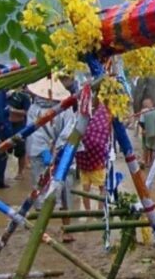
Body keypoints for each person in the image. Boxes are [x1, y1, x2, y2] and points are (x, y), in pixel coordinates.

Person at [26, 77, 76, 242]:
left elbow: (33, 133)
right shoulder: (60, 109)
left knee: (50, 190)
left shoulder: (38, 108)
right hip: (51, 154)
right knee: (53, 191)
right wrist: (53, 148)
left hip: (49, 152)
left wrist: (53, 148)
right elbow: (34, 131)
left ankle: (48, 230)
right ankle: (63, 230)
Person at [75, 99, 111, 212]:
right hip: (96, 160)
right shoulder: (103, 115)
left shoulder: (83, 113)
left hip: (83, 159)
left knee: (86, 188)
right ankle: (99, 211)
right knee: (102, 187)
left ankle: (88, 211)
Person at [7, 86, 31, 181]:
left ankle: (20, 172)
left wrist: (13, 110)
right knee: (3, 150)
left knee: (20, 150)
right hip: (6, 125)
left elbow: (27, 112)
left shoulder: (24, 96)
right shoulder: (5, 94)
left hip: (19, 125)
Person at [139, 97, 155, 168]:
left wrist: (143, 129)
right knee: (154, 148)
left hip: (148, 133)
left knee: (148, 147)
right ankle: (153, 163)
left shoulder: (144, 111)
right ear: (152, 104)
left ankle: (147, 162)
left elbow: (141, 122)